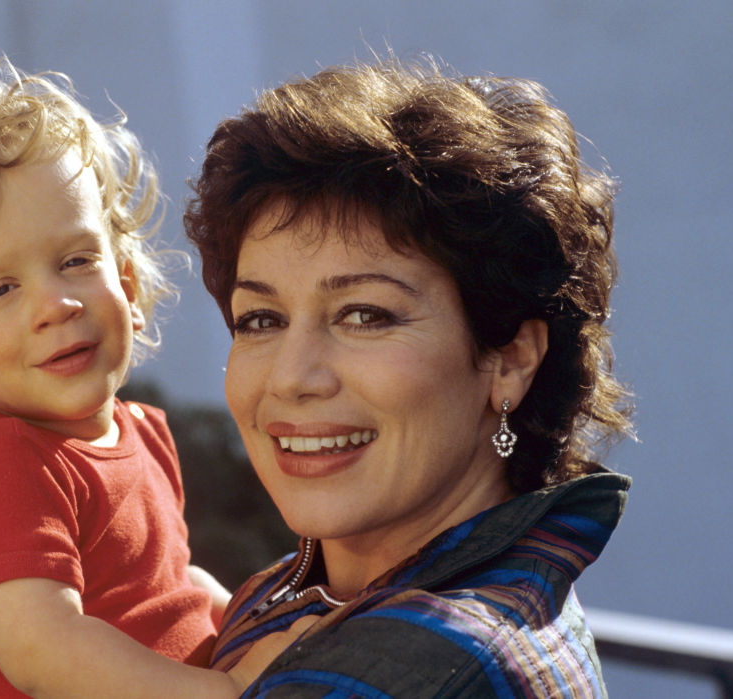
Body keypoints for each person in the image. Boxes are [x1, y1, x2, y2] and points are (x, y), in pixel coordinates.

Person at [0, 54, 305, 698]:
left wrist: (260, 620)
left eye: (77, 260)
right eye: (0, 289)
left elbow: (172, 583)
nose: (56, 304)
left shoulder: (141, 432)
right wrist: (221, 692)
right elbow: (42, 646)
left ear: (128, 287)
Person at [184, 58, 633, 697]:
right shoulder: (301, 593)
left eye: (364, 315)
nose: (291, 377)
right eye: (260, 319)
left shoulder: (423, 659)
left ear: (508, 358)